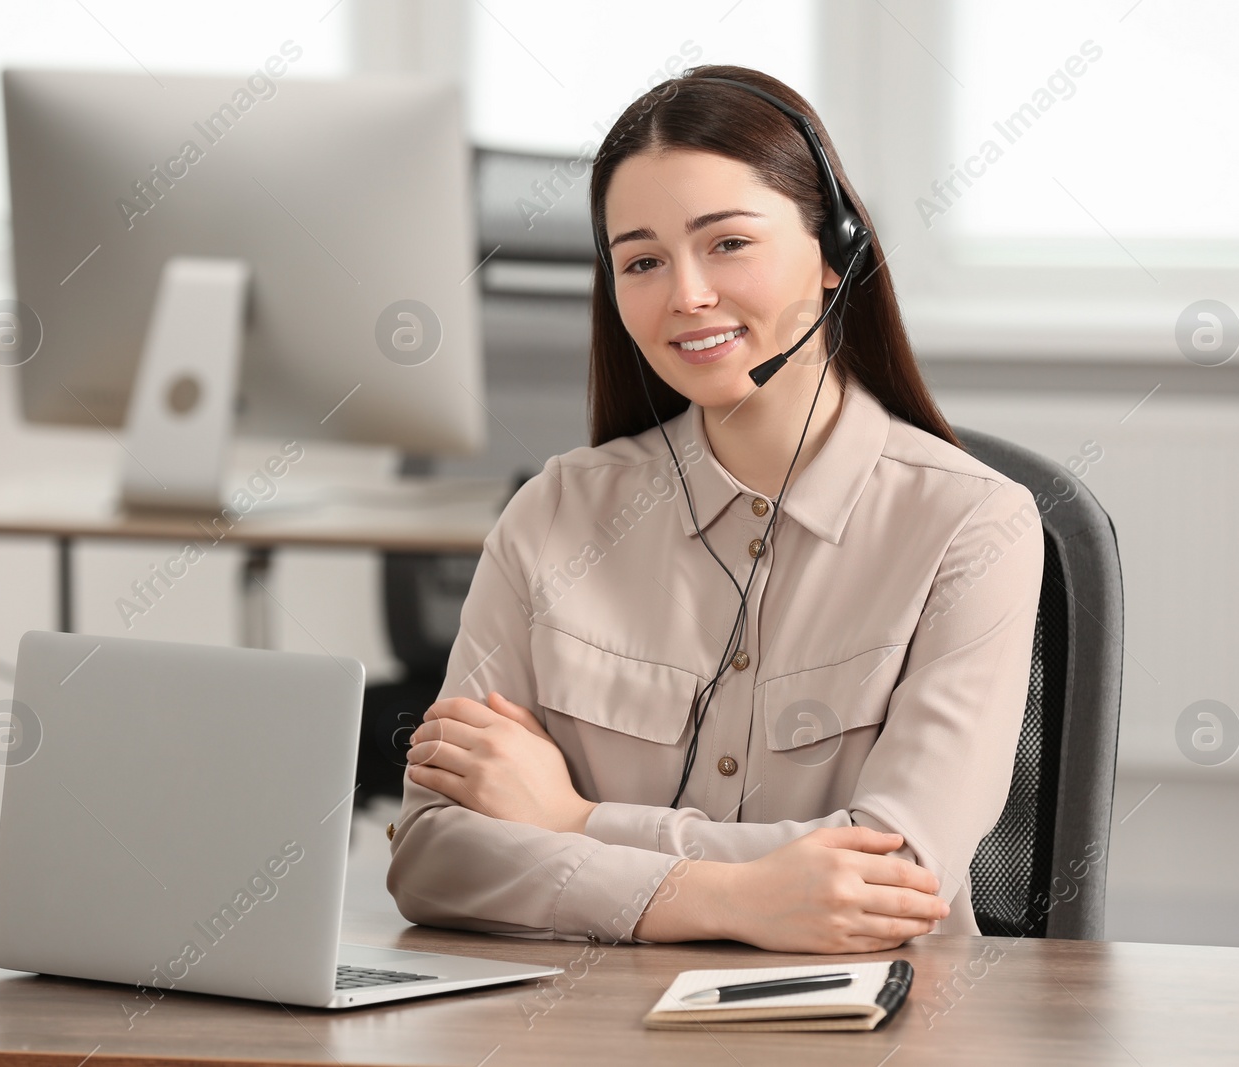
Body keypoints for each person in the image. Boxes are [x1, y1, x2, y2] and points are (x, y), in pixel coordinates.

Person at [386, 64, 1043, 954]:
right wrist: (736, 897)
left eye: (727, 243)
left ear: (833, 253)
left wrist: (571, 819)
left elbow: (897, 873)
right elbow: (433, 855)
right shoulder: (554, 514)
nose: (686, 294)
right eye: (643, 261)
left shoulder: (974, 525)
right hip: (586, 1035)